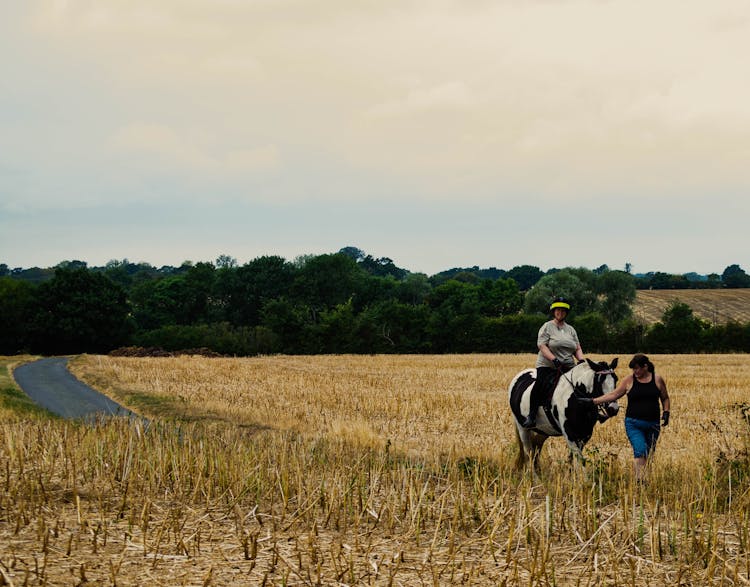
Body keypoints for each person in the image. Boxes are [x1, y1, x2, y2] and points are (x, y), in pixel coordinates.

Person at [590, 353, 671, 481]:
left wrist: (666, 412)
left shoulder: (657, 379)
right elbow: (614, 395)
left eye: (637, 368)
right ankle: (640, 481)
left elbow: (665, 398)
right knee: (640, 450)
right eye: (633, 369)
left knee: (649, 453)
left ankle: (646, 479)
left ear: (645, 367)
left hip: (653, 424)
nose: (635, 371)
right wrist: (593, 401)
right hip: (633, 423)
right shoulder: (629, 380)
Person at [522, 296, 585, 428]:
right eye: (557, 310)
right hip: (548, 365)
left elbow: (577, 347)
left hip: (568, 365)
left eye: (562, 310)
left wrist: (582, 360)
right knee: (540, 384)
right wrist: (553, 359)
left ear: (566, 313)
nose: (560, 312)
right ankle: (532, 416)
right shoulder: (547, 327)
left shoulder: (571, 330)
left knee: (582, 386)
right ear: (553, 311)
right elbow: (542, 346)